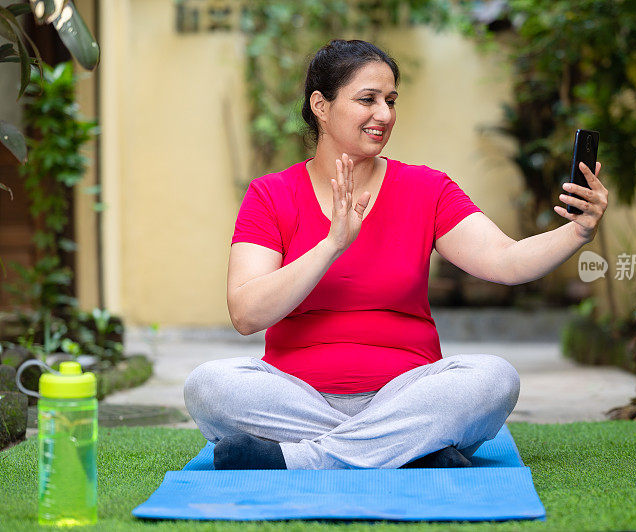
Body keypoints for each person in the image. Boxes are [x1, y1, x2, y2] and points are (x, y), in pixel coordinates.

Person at [183, 39, 609, 470]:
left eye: (390, 100)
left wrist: (577, 232)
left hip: (408, 393)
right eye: (367, 99)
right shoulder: (271, 194)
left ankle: (308, 459)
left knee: (494, 378)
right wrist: (331, 245)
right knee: (209, 386)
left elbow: (507, 260)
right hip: (296, 397)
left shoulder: (427, 189)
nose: (384, 115)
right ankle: (407, 448)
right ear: (321, 106)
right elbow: (246, 314)